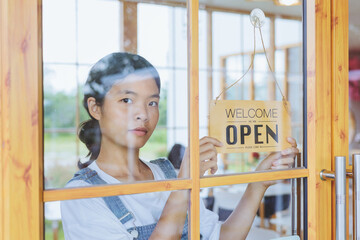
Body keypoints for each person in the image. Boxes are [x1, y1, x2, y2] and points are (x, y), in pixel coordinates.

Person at [60, 52, 299, 240]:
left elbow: (221, 237)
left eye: (152, 102)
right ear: (95, 108)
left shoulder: (167, 173)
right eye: (127, 100)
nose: (143, 114)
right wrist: (184, 183)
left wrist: (258, 183)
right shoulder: (81, 194)